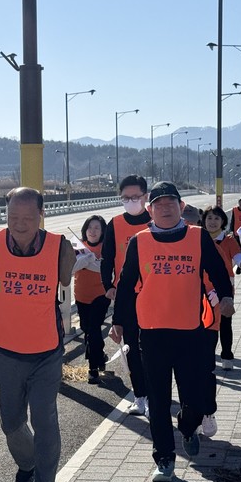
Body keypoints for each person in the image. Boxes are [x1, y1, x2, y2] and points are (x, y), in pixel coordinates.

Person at [109, 182, 234, 482]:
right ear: (150, 210)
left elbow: (218, 271)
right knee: (158, 399)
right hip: (152, 333)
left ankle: (188, 427)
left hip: (191, 331)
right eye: (159, 204)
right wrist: (118, 321)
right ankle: (164, 457)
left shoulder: (198, 237)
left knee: (194, 399)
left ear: (181, 206)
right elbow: (126, 284)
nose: (165, 208)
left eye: (170, 203)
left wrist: (226, 297)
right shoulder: (140, 241)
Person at [0, 187, 76, 482]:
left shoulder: (59, 247)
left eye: (27, 218)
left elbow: (73, 274)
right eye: (12, 216)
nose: (19, 224)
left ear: (41, 215)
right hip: (7, 350)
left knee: (44, 418)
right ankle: (28, 462)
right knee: (11, 423)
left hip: (46, 352)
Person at [100, 174, 151, 416]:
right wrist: (107, 285)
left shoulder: (155, 220)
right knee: (130, 345)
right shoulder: (115, 224)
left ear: (145, 196)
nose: (130, 201)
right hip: (126, 295)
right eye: (125, 197)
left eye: (135, 197)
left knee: (151, 347)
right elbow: (107, 257)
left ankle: (155, 394)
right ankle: (140, 396)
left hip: (154, 293)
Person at [198, 205, 241, 439]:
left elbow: (238, 256)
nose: (212, 222)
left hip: (224, 288)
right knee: (207, 325)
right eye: (209, 218)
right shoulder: (197, 238)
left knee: (225, 323)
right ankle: (209, 356)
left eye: (216, 219)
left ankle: (226, 354)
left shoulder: (227, 241)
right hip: (202, 290)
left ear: (222, 222)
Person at [72, 215, 110, 385]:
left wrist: (85, 261)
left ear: (102, 231)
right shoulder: (77, 245)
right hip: (81, 295)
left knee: (93, 330)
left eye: (97, 228)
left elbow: (104, 269)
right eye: (90, 227)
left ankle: (93, 369)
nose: (92, 231)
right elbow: (71, 268)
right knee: (87, 329)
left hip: (100, 295)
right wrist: (89, 259)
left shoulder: (107, 247)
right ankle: (100, 356)